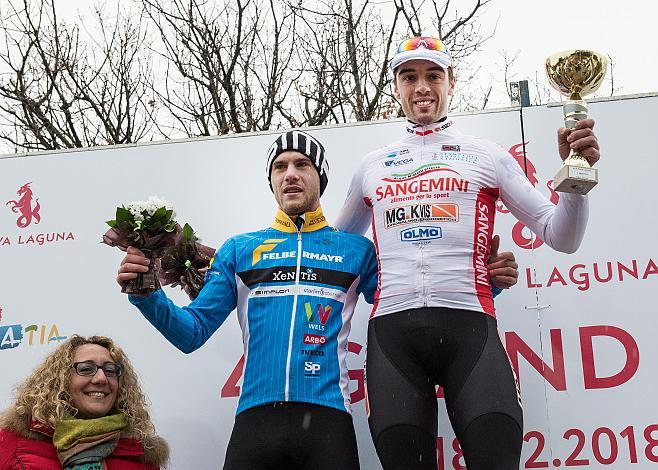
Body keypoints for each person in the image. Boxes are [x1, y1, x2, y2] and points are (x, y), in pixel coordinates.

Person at [116, 130, 519, 469]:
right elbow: (193, 332)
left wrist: (489, 283)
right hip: (255, 422)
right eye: (280, 167)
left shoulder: (355, 251)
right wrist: (148, 296)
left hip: (329, 424)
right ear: (271, 181)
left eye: (302, 165)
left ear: (320, 177)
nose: (290, 174)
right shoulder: (240, 250)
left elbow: (411, 305)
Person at [334, 36, 600, 470]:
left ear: (451, 82)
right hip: (392, 337)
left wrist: (576, 177)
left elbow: (561, 235)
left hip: (470, 330)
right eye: (409, 76)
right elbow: (334, 252)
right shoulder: (372, 166)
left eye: (433, 75)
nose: (422, 86)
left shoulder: (486, 156)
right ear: (396, 87)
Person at [0, 335, 169, 470]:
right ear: (62, 380)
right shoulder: (11, 442)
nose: (102, 378)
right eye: (86, 369)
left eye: (110, 370)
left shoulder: (141, 455)